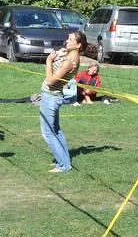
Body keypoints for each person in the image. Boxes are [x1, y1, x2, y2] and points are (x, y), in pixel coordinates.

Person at [40, 30, 87, 173]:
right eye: (68, 38)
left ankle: (63, 165)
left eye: (71, 39)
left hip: (51, 96)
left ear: (78, 45)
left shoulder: (69, 61)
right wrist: (57, 56)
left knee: (48, 132)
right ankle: (64, 160)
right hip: (52, 96)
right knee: (56, 130)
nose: (67, 40)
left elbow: (50, 80)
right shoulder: (68, 56)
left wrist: (48, 60)